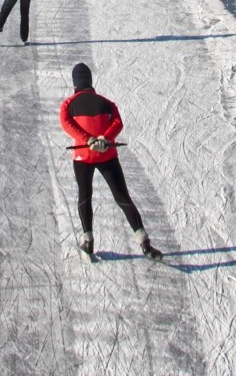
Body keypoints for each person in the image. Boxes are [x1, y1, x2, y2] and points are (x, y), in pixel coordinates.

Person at [60, 62, 162, 261]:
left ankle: (88, 241)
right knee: (122, 197)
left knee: (85, 196)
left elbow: (66, 123)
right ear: (90, 82)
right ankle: (144, 242)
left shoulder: (68, 104)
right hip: (107, 155)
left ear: (75, 85)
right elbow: (118, 123)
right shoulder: (107, 103)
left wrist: (87, 140)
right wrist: (104, 139)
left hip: (83, 156)